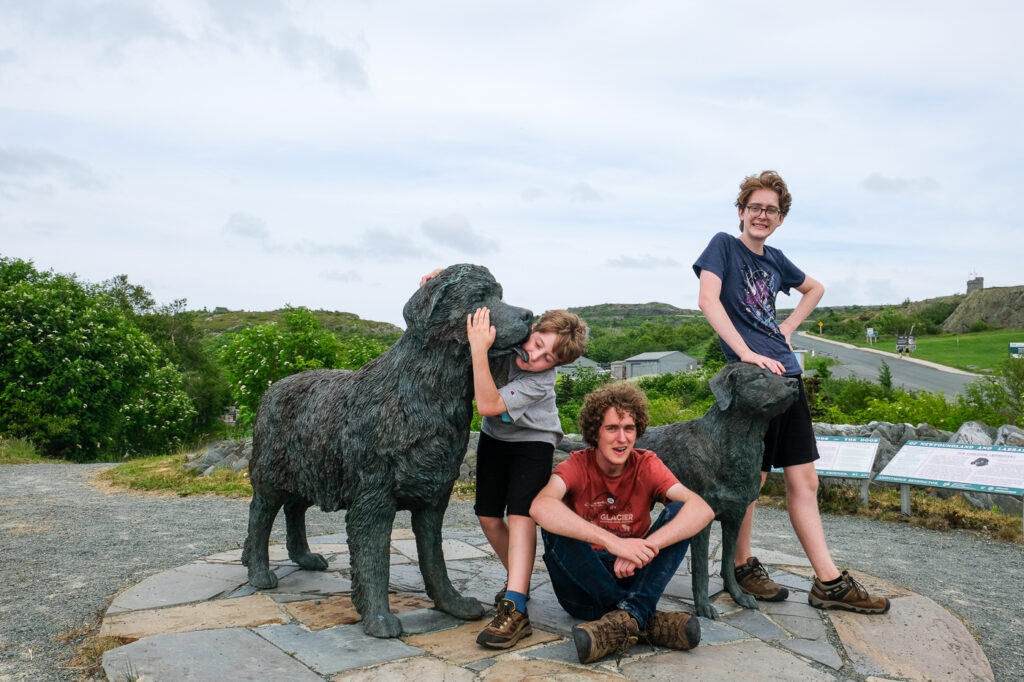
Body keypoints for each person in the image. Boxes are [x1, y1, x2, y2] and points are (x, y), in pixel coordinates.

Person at [692, 170, 890, 614]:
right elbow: (708, 300)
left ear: (781, 219)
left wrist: (786, 329)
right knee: (752, 479)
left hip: (788, 376)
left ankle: (829, 583)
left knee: (805, 480)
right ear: (741, 211)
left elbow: (814, 289)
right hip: (753, 385)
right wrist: (745, 353)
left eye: (772, 210)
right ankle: (741, 566)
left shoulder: (776, 258)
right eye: (755, 207)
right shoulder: (723, 245)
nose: (762, 215)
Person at [530, 382, 715, 664]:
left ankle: (623, 621)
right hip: (582, 590)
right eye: (612, 428)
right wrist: (614, 543)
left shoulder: (646, 463)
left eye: (629, 428)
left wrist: (646, 546)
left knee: (681, 510)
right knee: (555, 525)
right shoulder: (576, 465)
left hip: (631, 574)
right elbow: (540, 506)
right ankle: (643, 617)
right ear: (595, 432)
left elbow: (701, 509)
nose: (622, 438)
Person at [466, 303, 588, 648]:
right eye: (537, 344)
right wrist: (435, 277)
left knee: (521, 516)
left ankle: (515, 606)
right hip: (496, 437)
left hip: (535, 440)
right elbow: (476, 305)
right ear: (531, 330)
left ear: (556, 366)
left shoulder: (541, 379)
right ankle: (518, 581)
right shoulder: (510, 339)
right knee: (488, 517)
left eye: (547, 357)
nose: (535, 357)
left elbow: (488, 406)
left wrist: (478, 350)